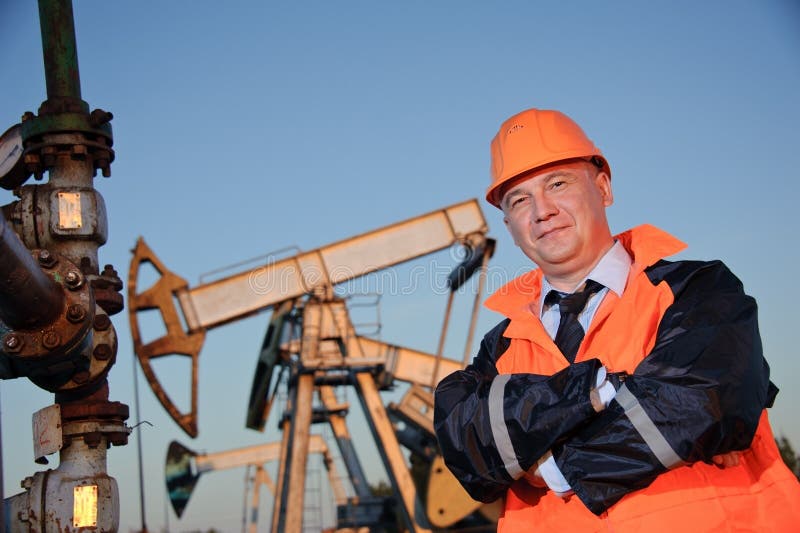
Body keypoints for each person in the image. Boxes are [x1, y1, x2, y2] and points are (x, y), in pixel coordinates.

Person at [433, 108, 800, 532]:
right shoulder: (500, 347)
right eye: (519, 200)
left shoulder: (698, 290)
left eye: (558, 183)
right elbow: (464, 445)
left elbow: (702, 403)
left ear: (603, 187)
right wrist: (603, 388)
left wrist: (547, 463)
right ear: (510, 226)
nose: (542, 210)